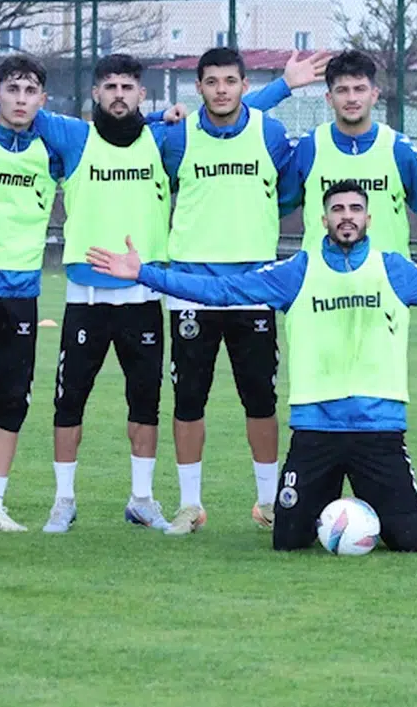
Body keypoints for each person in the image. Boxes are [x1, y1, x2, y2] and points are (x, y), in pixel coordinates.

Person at [0, 26, 322, 534]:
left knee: (146, 406)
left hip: (146, 294)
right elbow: (15, 103)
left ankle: (143, 499)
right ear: (96, 93)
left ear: (141, 93)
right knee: (69, 405)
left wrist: (281, 87)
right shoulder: (74, 137)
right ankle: (63, 501)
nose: (119, 94)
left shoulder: (163, 137)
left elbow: (224, 114)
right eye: (110, 86)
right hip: (85, 296)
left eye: (128, 87)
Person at [84, 179, 417, 552]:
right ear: (324, 219)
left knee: (408, 541)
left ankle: (356, 514)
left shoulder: (393, 270)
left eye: (356, 208)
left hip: (380, 431)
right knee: (288, 542)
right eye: (337, 209)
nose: (347, 216)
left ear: (369, 218)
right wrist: (146, 273)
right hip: (316, 431)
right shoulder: (297, 271)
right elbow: (222, 291)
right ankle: (326, 513)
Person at [159, 47, 305, 535]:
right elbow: (131, 141)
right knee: (188, 400)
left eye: (230, 81)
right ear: (197, 87)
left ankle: (269, 502)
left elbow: (287, 192)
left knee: (260, 398)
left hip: (254, 287)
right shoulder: (178, 136)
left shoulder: (270, 132)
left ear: (245, 85)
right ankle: (189, 505)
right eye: (211, 82)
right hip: (193, 287)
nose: (221, 90)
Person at [290, 49, 417, 255]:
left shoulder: (398, 147)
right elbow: (275, 204)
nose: (351, 98)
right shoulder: (310, 146)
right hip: (322, 272)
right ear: (329, 98)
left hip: (385, 273)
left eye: (359, 89)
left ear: (374, 95)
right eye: (342, 90)